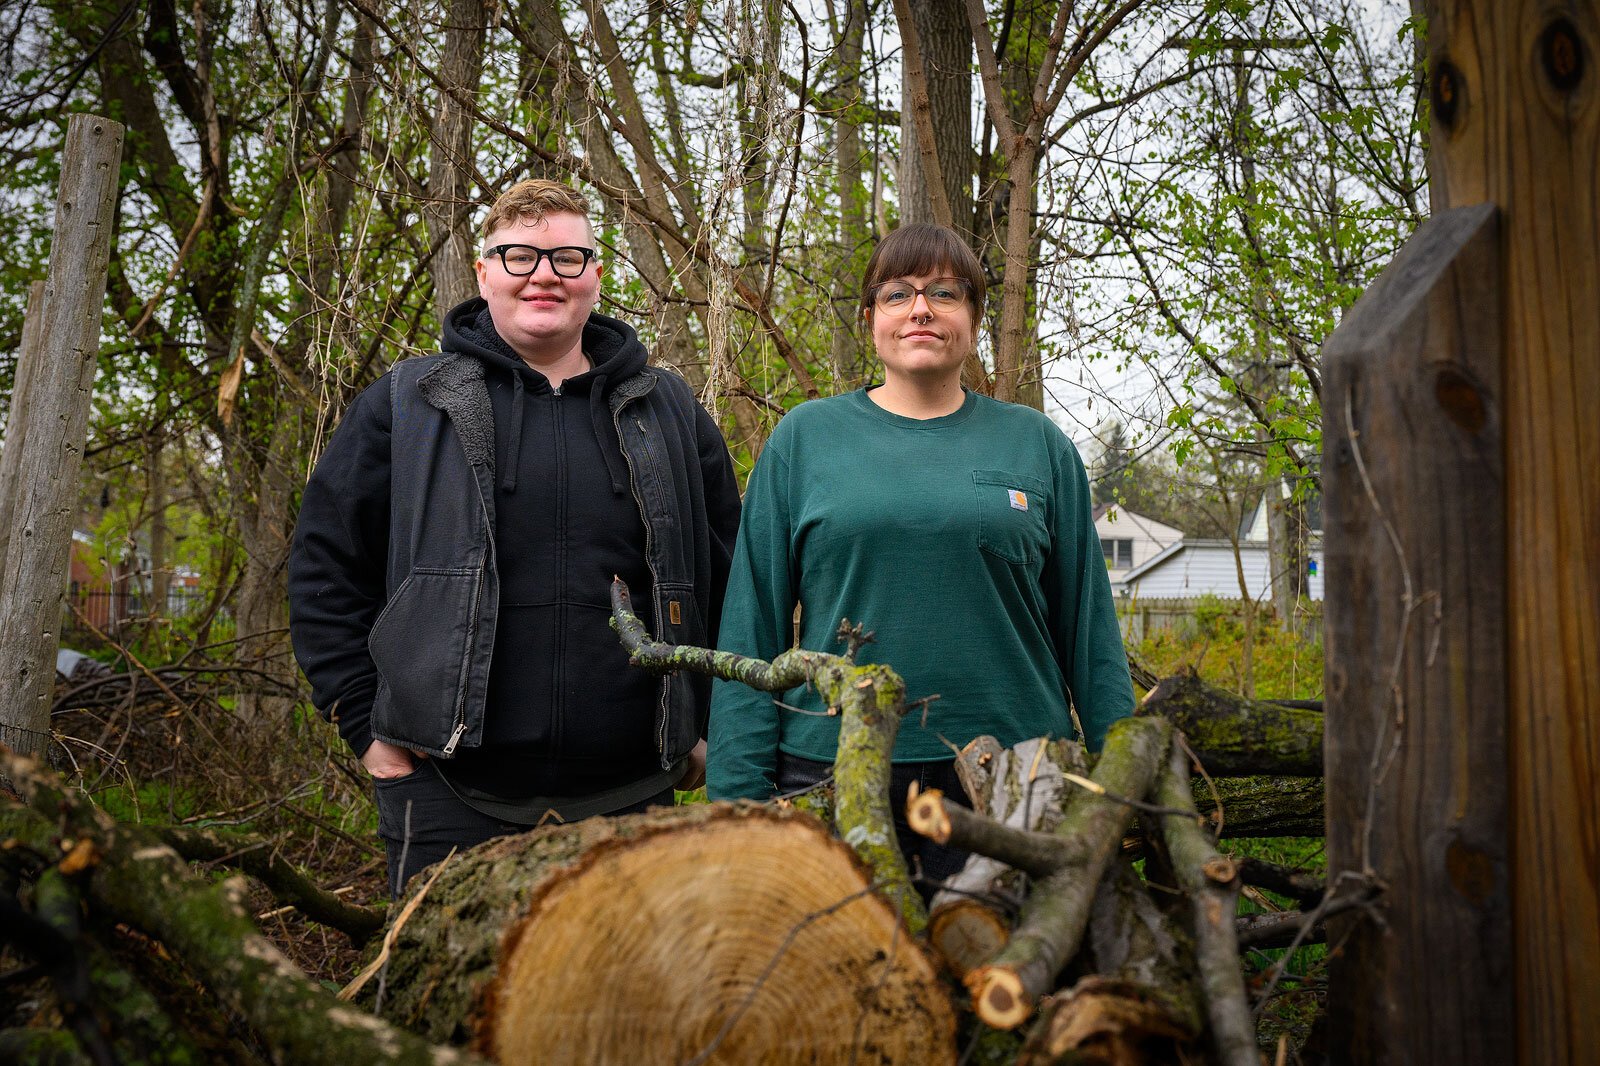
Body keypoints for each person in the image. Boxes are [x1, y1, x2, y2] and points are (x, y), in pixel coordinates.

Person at [289, 179, 740, 896]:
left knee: (626, 1006)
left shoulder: (668, 412)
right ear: (484, 273)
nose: (543, 276)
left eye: (566, 257)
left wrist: (708, 722)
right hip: (447, 792)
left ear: (596, 273)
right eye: (519, 256)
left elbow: (726, 577)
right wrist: (364, 726)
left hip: (633, 796)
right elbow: (324, 566)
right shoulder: (410, 403)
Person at [706, 223, 1133, 886]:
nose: (922, 309)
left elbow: (1089, 632)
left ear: (974, 318)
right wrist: (738, 800)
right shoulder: (805, 440)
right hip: (832, 773)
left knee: (1007, 977)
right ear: (870, 318)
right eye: (899, 294)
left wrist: (1121, 779)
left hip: (1015, 780)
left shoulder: (1036, 446)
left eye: (945, 293)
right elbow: (751, 628)